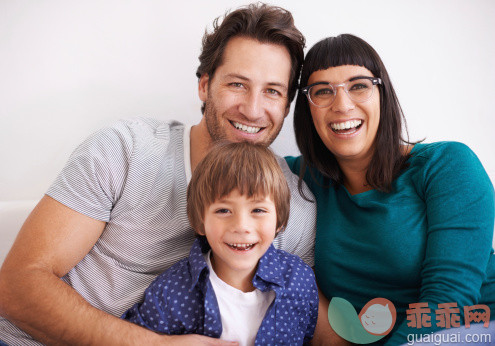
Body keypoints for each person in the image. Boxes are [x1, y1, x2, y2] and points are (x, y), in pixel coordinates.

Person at [0, 4, 319, 345]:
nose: (253, 109)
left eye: (272, 91)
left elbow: (304, 317)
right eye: (238, 84)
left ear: (286, 106)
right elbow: (17, 285)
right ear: (205, 86)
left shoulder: (293, 206)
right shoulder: (125, 151)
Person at [286, 34, 495, 345]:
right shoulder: (302, 178)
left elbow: (450, 301)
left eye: (358, 86)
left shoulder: (447, 165)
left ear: (382, 94)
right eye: (323, 91)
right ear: (308, 109)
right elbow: (232, 171)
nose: (342, 105)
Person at [122, 142, 319, 345]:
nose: (241, 226)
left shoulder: (300, 280)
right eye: (223, 210)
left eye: (258, 210)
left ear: (280, 220)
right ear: (200, 221)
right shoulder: (169, 293)